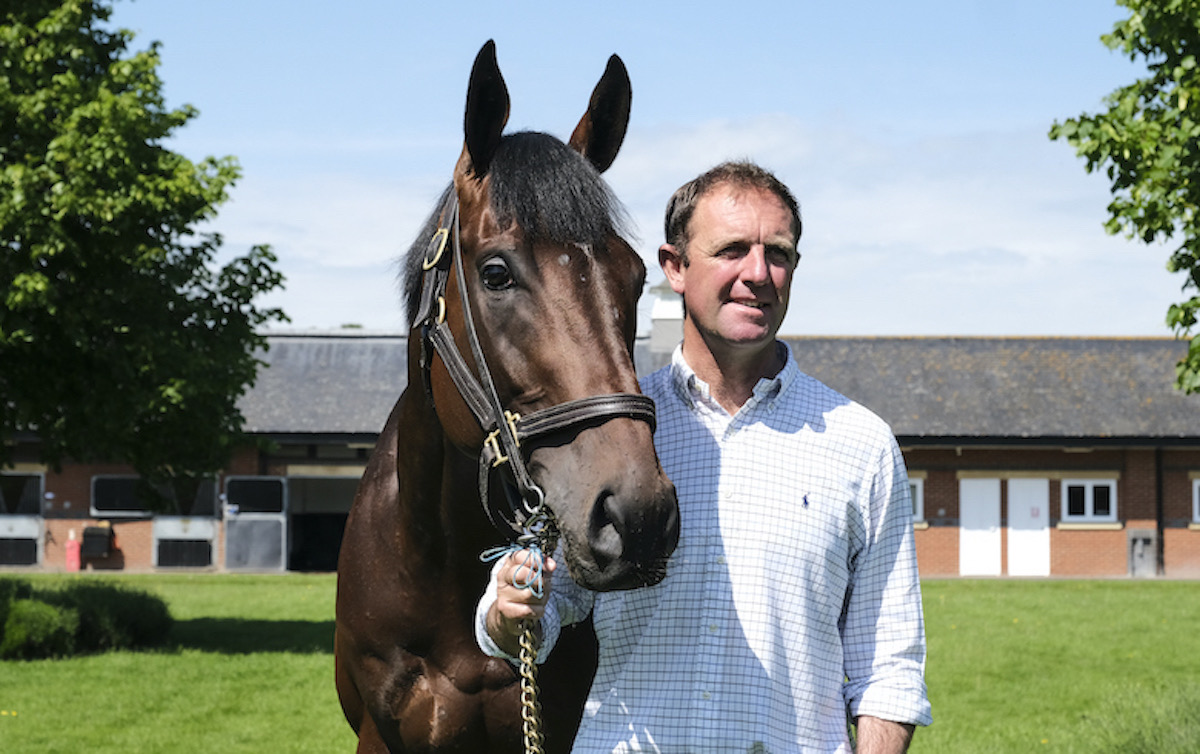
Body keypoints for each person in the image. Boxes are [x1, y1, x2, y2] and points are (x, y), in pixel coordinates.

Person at [476, 161, 931, 753]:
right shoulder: (614, 434)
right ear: (675, 269)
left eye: (780, 255)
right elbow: (548, 602)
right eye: (732, 250)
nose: (759, 274)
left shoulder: (861, 445)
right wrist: (507, 612)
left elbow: (888, 669)